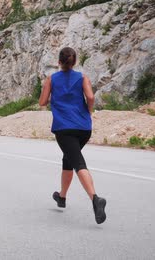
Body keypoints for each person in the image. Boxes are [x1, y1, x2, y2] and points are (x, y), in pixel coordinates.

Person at [38, 47, 107, 224]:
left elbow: (42, 102)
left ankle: (95, 199)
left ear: (59, 61)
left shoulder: (51, 79)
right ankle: (62, 197)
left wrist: (49, 89)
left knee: (77, 162)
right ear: (74, 62)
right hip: (84, 128)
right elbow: (90, 97)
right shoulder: (82, 77)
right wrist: (88, 112)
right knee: (68, 159)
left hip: (64, 128)